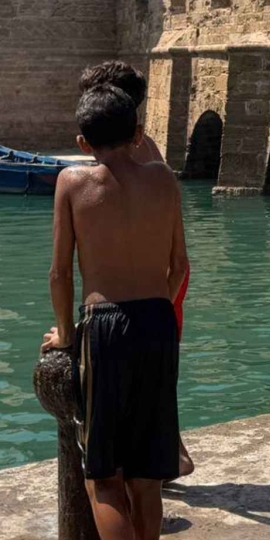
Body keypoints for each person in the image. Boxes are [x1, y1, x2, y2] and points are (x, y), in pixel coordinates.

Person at [42, 84, 189, 540]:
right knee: (147, 475)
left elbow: (61, 273)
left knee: (101, 475)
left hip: (105, 326)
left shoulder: (72, 183)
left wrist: (68, 334)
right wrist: (155, 316)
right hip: (158, 325)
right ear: (138, 133)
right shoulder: (165, 180)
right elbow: (179, 266)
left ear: (83, 142)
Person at [79, 61, 195, 479]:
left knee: (145, 370)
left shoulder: (131, 156)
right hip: (162, 275)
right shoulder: (143, 150)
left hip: (158, 279)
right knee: (152, 369)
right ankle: (169, 453)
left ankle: (168, 454)